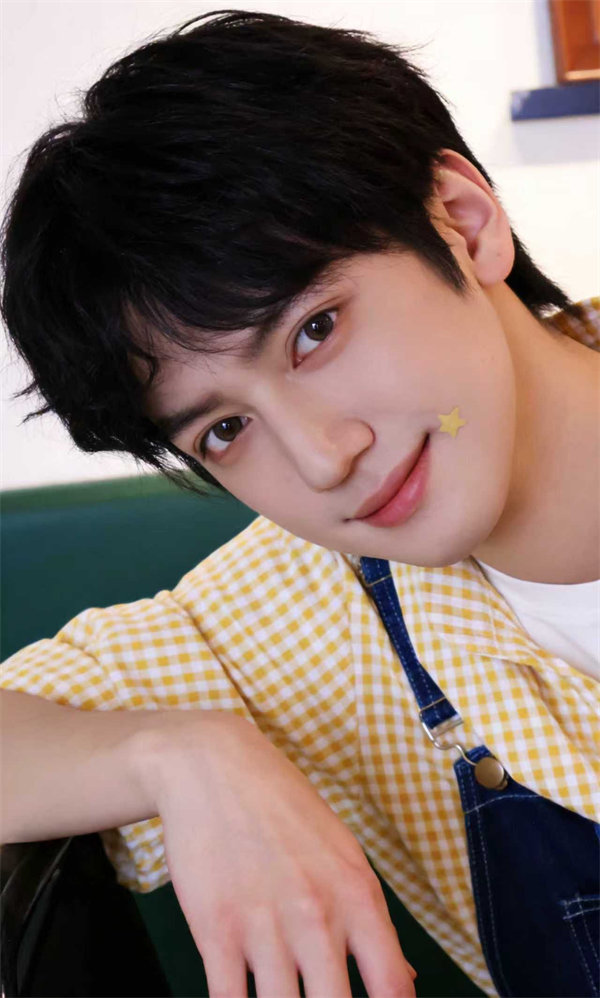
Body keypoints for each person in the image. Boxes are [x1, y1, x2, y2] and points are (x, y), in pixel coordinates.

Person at [1, 9, 598, 998]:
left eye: (315, 330)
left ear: (463, 221)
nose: (323, 460)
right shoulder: (299, 614)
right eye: (224, 429)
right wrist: (178, 756)